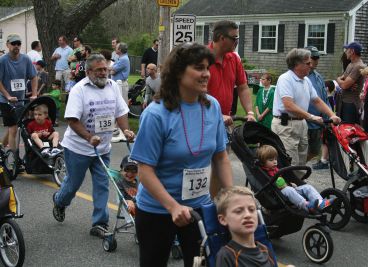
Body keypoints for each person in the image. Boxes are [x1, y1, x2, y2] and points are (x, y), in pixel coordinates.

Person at [130, 43, 233, 267]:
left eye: (207, 67)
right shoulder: (156, 114)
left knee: (201, 263)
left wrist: (232, 196)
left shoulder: (212, 106)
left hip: (199, 207)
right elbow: (145, 171)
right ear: (178, 72)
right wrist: (172, 206)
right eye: (198, 67)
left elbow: (221, 157)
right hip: (157, 209)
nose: (206, 73)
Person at [52, 54, 135, 239]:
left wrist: (126, 131)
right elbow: (72, 120)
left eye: (105, 69)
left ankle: (99, 223)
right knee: (73, 184)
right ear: (89, 72)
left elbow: (121, 112)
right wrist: (89, 137)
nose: (104, 72)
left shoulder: (112, 86)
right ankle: (59, 200)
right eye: (99, 70)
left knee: (102, 184)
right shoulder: (79, 90)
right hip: (78, 148)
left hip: (103, 148)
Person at [207, 20, 255, 198]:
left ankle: (214, 205)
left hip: (224, 122)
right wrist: (217, 114)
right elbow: (196, 93)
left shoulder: (234, 58)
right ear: (221, 38)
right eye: (234, 38)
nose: (237, 42)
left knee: (220, 165)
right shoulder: (203, 57)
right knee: (195, 168)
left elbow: (242, 87)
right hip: (202, 120)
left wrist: (249, 112)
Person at [272, 48, 340, 168]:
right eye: (308, 63)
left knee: (301, 161)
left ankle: (297, 183)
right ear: (297, 64)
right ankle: (289, 184)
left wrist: (332, 115)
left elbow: (317, 100)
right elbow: (288, 105)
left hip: (301, 124)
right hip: (286, 125)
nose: (311, 65)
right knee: (290, 161)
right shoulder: (285, 79)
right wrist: (311, 117)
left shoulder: (306, 80)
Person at [256, 145, 334, 212]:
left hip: (288, 189)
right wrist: (283, 186)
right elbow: (271, 184)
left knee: (307, 187)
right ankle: (307, 206)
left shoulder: (276, 169)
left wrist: (290, 184)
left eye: (275, 159)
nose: (275, 162)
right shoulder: (263, 172)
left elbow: (282, 181)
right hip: (277, 194)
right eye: (271, 160)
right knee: (288, 190)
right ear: (263, 162)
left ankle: (321, 203)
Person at [215, 186, 275, 267]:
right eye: (239, 211)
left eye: (251, 209)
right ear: (223, 219)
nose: (247, 215)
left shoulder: (265, 249)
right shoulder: (227, 255)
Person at [0, 34, 38, 152]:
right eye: (13, 43)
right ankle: (15, 161)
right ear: (7, 45)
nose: (16, 46)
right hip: (5, 100)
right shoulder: (2, 61)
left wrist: (34, 94)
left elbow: (34, 77)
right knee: (14, 129)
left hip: (20, 100)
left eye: (18, 43)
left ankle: (1, 147)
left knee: (14, 127)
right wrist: (7, 96)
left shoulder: (25, 59)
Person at [303, 46, 331, 169]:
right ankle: (294, 171)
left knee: (314, 151)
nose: (316, 60)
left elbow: (323, 98)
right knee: (300, 150)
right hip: (305, 121)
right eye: (313, 57)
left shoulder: (318, 76)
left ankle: (297, 168)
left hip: (318, 122)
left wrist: (330, 115)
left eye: (317, 57)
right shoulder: (301, 76)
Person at [335, 42, 365, 124]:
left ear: (352, 51)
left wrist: (342, 82)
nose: (345, 52)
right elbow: (342, 79)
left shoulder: (358, 66)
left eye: (346, 50)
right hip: (344, 102)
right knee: (343, 128)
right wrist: (340, 80)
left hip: (351, 103)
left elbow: (344, 85)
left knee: (350, 129)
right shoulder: (351, 64)